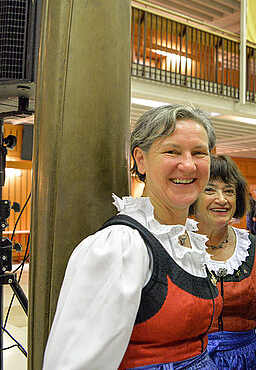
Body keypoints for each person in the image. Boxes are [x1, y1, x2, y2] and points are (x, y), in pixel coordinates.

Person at [43, 104, 222, 370]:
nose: (188, 164)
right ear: (141, 160)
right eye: (172, 151)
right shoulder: (121, 246)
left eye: (199, 153)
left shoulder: (186, 239)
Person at [190, 155, 256, 370]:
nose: (221, 199)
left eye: (229, 191)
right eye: (210, 190)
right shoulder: (176, 248)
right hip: (190, 362)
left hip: (246, 362)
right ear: (193, 196)